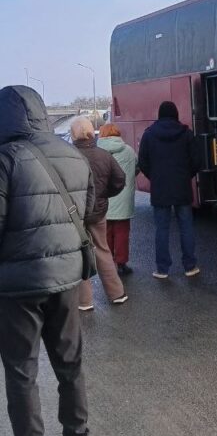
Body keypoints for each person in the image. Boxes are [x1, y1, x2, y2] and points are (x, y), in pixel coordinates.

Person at [0, 86, 95, 436]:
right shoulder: (72, 155)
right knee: (69, 362)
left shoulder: (5, 159)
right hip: (67, 277)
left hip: (18, 286)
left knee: (22, 370)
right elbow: (89, 209)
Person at [138, 101, 201, 279]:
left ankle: (162, 269)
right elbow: (196, 160)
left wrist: (155, 177)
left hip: (160, 188)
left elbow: (142, 161)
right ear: (175, 114)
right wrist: (185, 175)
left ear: (159, 115)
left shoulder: (149, 134)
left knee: (162, 229)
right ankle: (190, 266)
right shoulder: (186, 134)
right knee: (186, 227)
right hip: (182, 187)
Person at [70, 117, 128, 311]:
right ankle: (117, 293)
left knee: (80, 253)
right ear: (91, 132)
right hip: (99, 211)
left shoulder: (68, 156)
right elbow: (120, 179)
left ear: (73, 135)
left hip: (75, 214)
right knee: (103, 250)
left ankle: (84, 301)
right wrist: (104, 195)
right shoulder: (104, 155)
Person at [97, 123, 138, 275]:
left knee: (106, 232)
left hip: (104, 198)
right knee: (122, 232)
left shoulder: (97, 152)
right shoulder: (128, 151)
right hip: (123, 197)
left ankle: (107, 263)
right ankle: (121, 264)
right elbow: (136, 168)